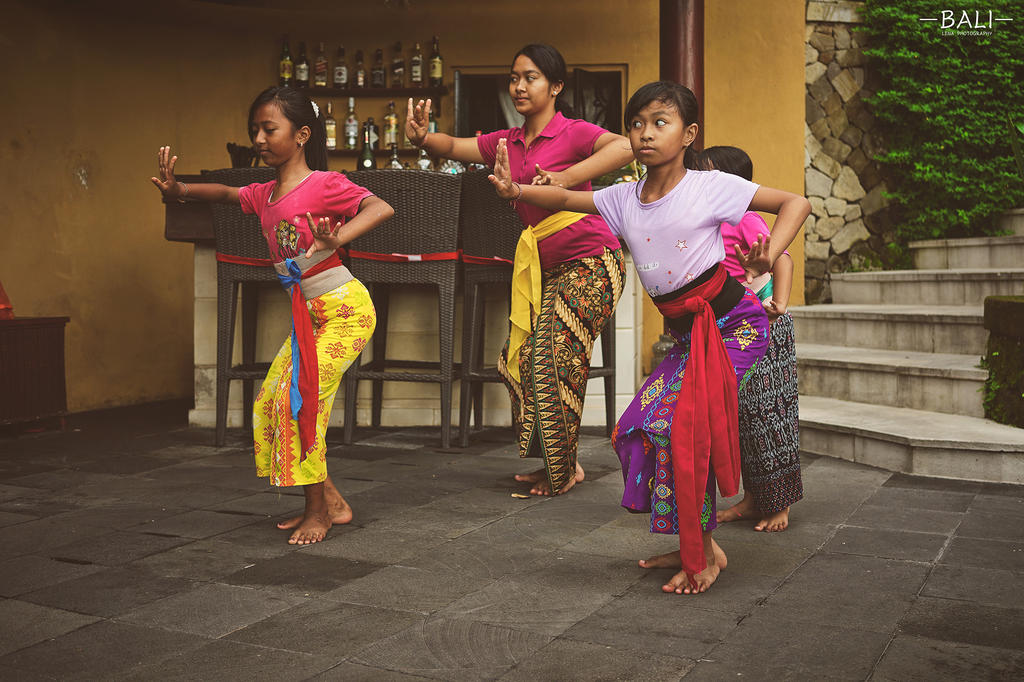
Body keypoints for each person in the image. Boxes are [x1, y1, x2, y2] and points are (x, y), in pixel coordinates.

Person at [488, 81, 810, 594]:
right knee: (639, 427)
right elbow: (569, 196)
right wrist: (518, 192)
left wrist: (770, 256)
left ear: (689, 134)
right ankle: (699, 542)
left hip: (735, 326)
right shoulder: (623, 198)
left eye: (660, 122)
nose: (645, 133)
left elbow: (796, 202)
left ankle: (700, 556)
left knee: (681, 428)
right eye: (636, 124)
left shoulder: (710, 186)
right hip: (689, 337)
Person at [150, 87, 394, 545]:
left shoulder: (323, 184)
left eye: (269, 129)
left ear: (302, 134)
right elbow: (224, 191)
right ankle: (334, 502)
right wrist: (179, 189)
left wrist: (336, 238)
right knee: (271, 401)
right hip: (311, 315)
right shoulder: (265, 193)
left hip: (345, 310)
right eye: (254, 130)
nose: (259, 138)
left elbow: (380, 206)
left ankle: (318, 512)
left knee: (299, 403)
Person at [405, 44, 635, 496]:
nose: (519, 86)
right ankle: (557, 461)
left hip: (592, 262)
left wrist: (566, 178)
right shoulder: (505, 141)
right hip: (544, 270)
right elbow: (454, 145)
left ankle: (563, 469)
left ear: (556, 87)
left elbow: (626, 146)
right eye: (514, 77)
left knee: (550, 353)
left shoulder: (573, 132)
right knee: (518, 361)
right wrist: (422, 139)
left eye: (530, 77)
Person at [697, 146, 803, 533]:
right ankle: (753, 498)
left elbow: (783, 258)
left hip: (765, 323)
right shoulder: (707, 220)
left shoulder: (744, 217)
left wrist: (779, 303)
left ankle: (780, 502)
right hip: (732, 326)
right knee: (741, 416)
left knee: (768, 413)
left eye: (710, 176)